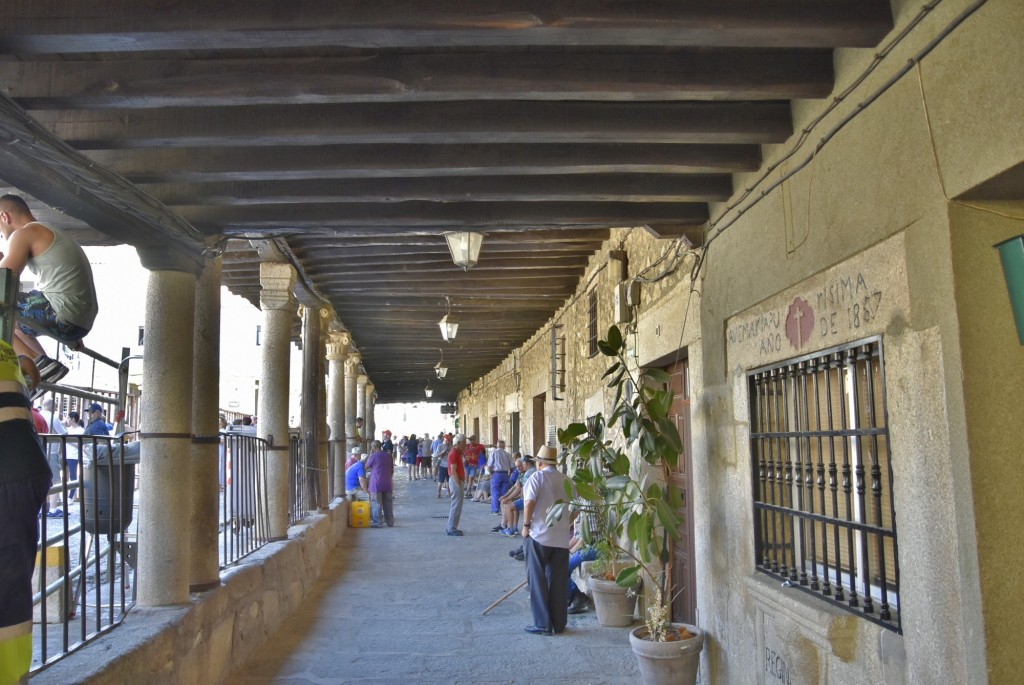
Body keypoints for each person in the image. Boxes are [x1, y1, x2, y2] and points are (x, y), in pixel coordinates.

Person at [0, 194, 99, 385]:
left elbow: (4, 280)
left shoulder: (25, 233)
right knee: (15, 320)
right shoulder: (49, 231)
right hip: (80, 322)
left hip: (63, 314)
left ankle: (36, 363)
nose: (1, 233)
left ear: (4, 216)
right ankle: (44, 365)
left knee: (5, 306)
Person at [0, 341, 53, 684]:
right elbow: (30, 370)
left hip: (8, 475)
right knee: (11, 581)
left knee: (6, 584)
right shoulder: (6, 350)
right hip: (22, 470)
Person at [522, 445, 576, 636]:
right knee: (558, 581)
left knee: (537, 579)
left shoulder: (537, 477)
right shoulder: (567, 480)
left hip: (539, 535)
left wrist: (526, 525)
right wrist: (565, 524)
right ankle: (559, 623)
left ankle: (542, 624)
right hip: (560, 538)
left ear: (540, 463)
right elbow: (576, 508)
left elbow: (529, 502)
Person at [41, 397, 68, 517]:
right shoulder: (54, 417)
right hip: (51, 451)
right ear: (53, 406)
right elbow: (64, 434)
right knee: (56, 480)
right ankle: (53, 509)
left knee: (42, 479)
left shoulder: (38, 415)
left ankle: (43, 507)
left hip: (40, 451)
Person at [364, 440, 394, 527]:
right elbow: (392, 470)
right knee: (388, 503)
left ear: (373, 447)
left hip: (376, 483)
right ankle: (390, 522)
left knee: (376, 503)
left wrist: (370, 455)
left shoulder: (373, 456)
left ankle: (377, 523)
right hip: (387, 482)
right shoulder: (388, 456)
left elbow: (366, 467)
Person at [445, 433, 467, 536]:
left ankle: (452, 527)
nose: (465, 445)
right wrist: (458, 484)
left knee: (457, 505)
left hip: (457, 480)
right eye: (463, 443)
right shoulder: (454, 453)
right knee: (456, 505)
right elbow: (453, 470)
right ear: (458, 443)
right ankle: (451, 528)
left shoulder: (457, 453)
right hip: (456, 481)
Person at [486, 438, 514, 515]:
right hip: (505, 474)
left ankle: (495, 510)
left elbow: (489, 466)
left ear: (497, 445)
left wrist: (491, 474)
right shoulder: (508, 454)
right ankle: (504, 509)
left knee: (495, 492)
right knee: (504, 492)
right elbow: (512, 467)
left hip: (496, 473)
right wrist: (509, 474)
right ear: (504, 446)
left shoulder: (493, 453)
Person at [433, 433, 451, 498]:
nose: (448, 441)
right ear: (444, 439)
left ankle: (448, 492)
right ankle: (438, 493)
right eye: (447, 440)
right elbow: (436, 455)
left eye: (449, 440)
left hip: (449, 465)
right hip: (442, 465)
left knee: (448, 480)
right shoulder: (440, 446)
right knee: (441, 480)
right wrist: (443, 452)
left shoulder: (450, 446)